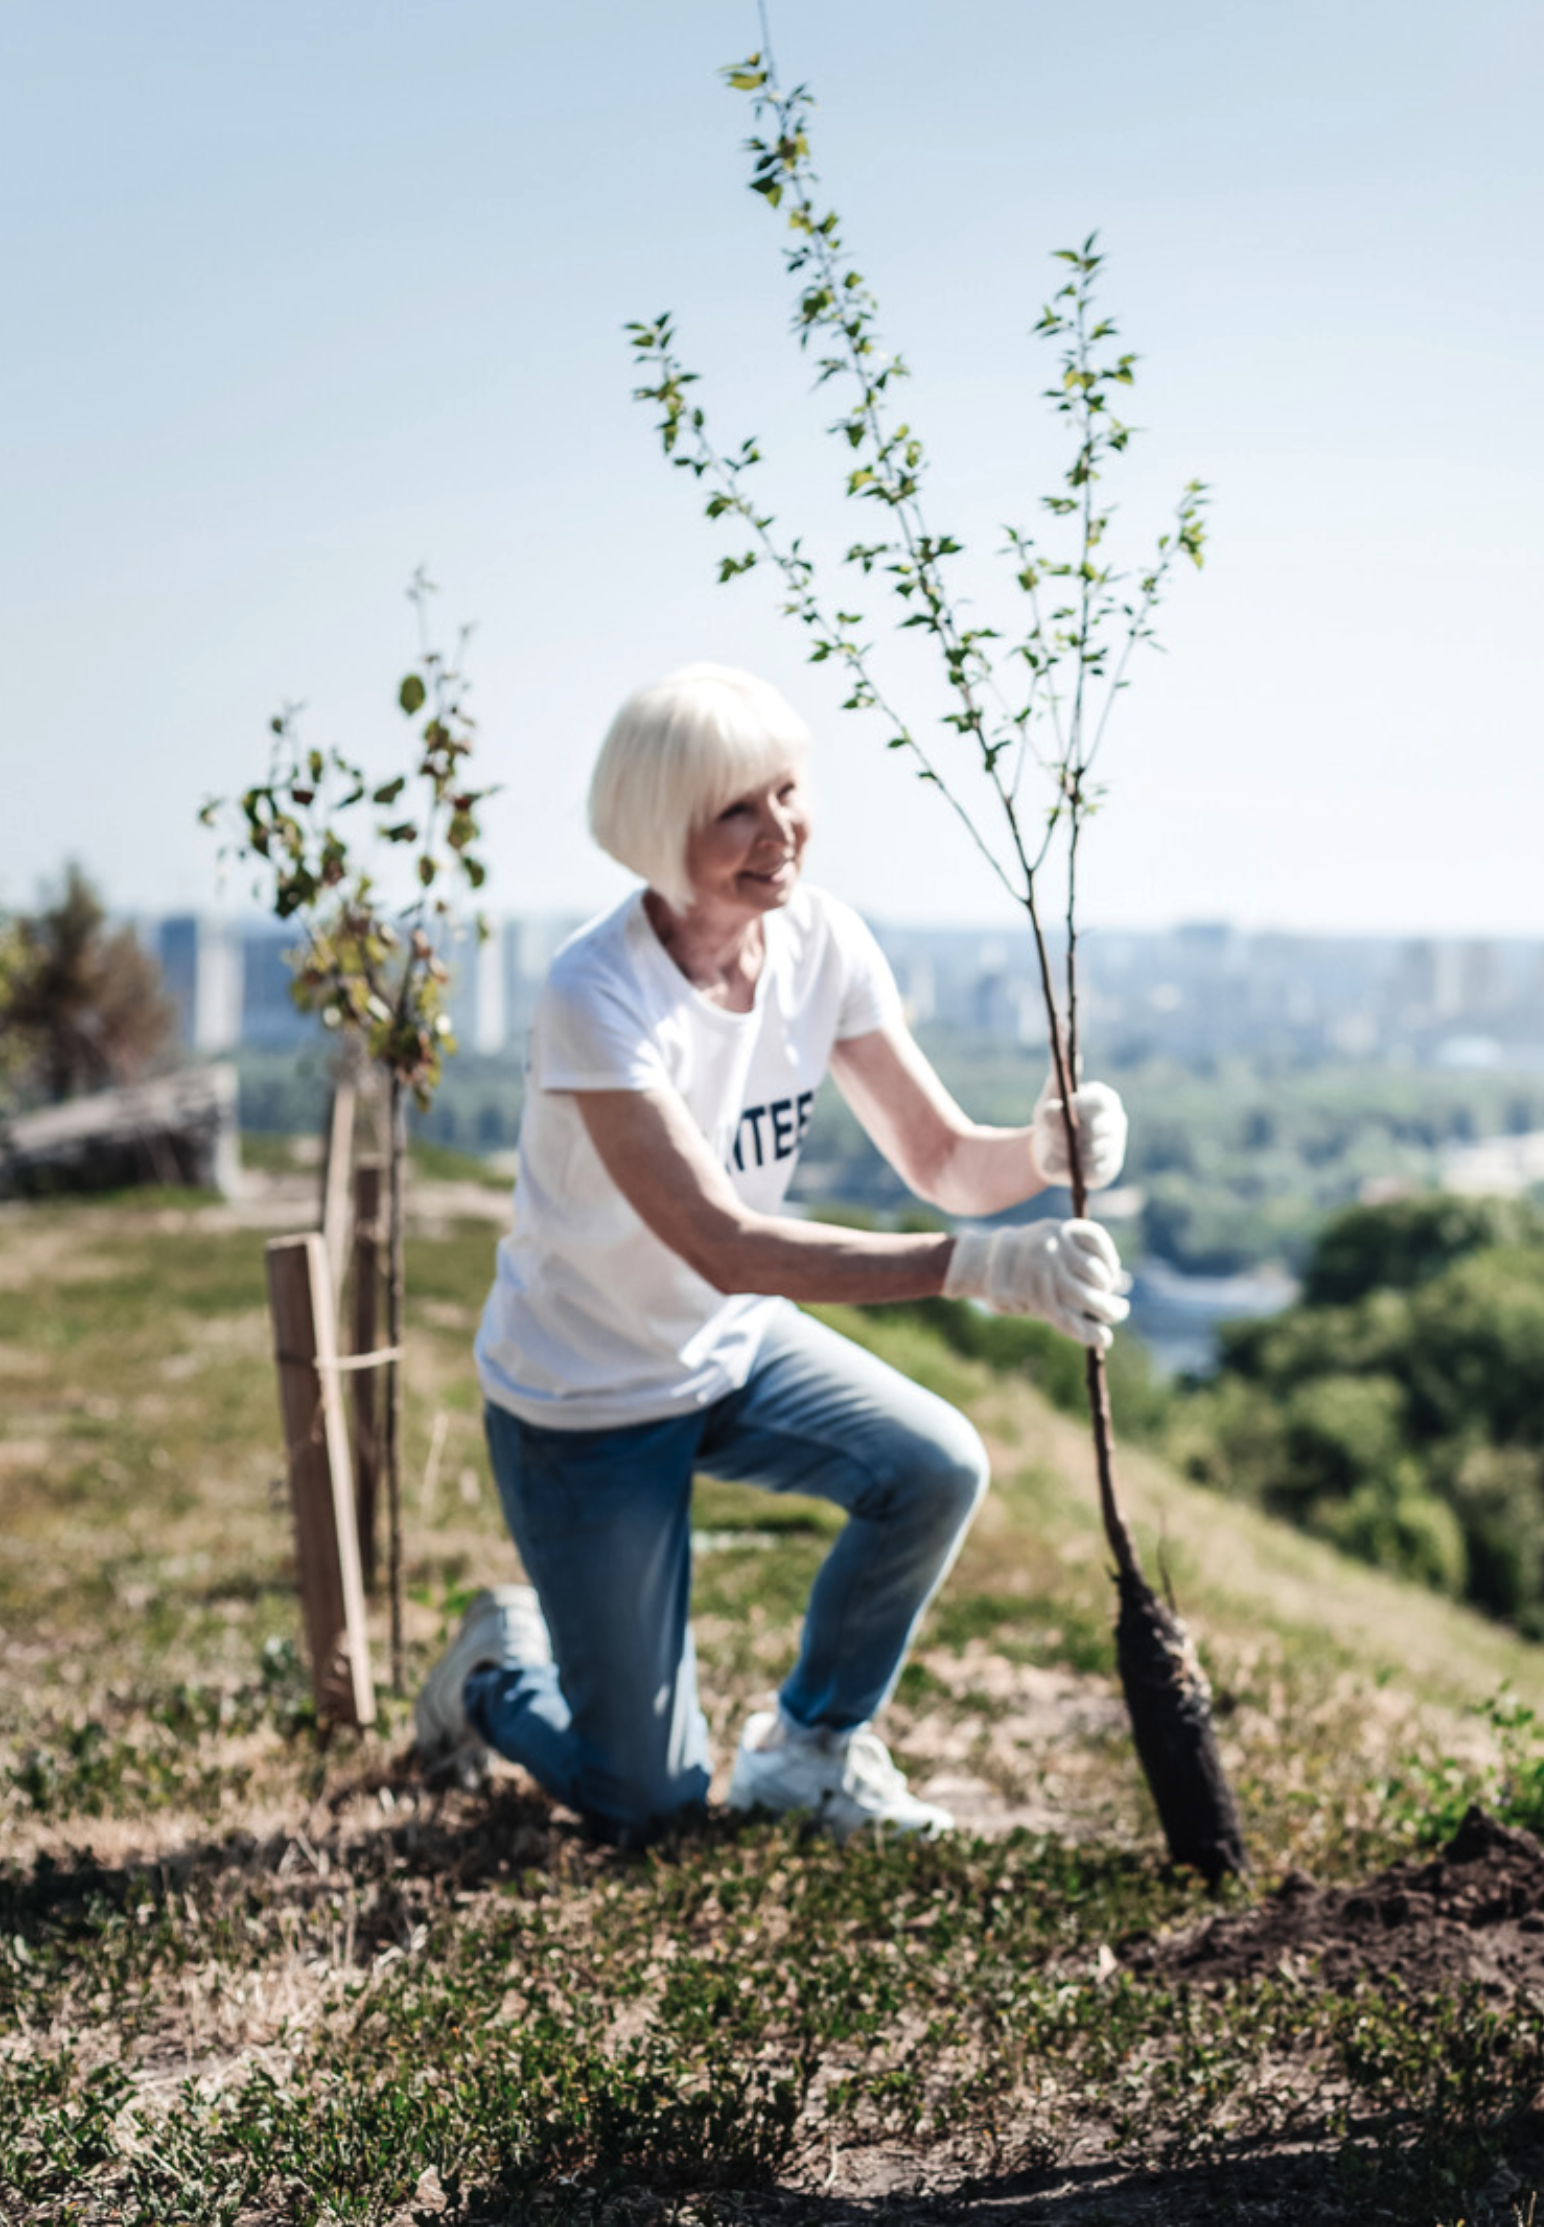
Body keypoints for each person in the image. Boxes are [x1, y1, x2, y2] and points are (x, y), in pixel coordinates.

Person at [415, 662, 1134, 1843]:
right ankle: (494, 1676)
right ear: (661, 830)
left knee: (935, 1466)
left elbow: (945, 1158)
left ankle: (808, 1749)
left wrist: (1044, 1150)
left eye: (788, 791)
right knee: (644, 1804)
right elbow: (723, 1242)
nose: (780, 832)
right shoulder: (596, 994)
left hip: (730, 1355)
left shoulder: (821, 940)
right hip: (583, 1397)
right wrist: (975, 1269)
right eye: (735, 810)